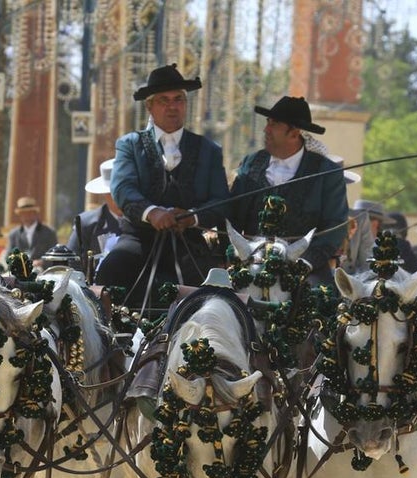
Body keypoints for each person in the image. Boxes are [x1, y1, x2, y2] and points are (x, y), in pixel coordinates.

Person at [97, 63, 230, 307]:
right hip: (139, 238)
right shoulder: (129, 145)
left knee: (216, 293)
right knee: (110, 270)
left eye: (178, 99)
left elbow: (221, 200)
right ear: (150, 106)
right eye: (164, 100)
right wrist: (153, 213)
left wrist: (191, 217)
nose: (172, 106)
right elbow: (123, 189)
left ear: (186, 104)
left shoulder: (209, 150)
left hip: (190, 242)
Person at [228, 96, 348, 287]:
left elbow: (335, 227)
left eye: (274, 124)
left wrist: (305, 262)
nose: (266, 129)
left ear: (294, 132)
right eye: (267, 122)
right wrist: (236, 255)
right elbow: (232, 215)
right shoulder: (251, 163)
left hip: (306, 269)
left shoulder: (327, 173)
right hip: (251, 263)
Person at [67, 158, 123, 272]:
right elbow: (72, 263)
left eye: (123, 191)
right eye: (113, 193)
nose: (118, 197)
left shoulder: (143, 220)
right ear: (105, 194)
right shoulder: (85, 224)